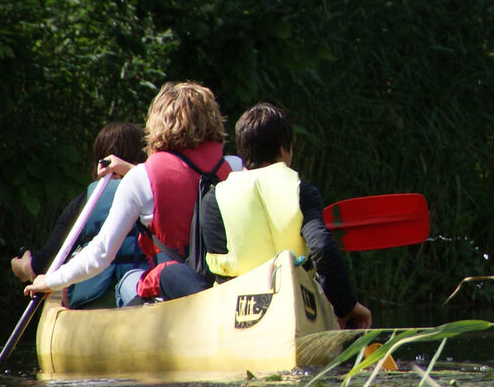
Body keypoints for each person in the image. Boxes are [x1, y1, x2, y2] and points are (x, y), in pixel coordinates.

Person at [25, 81, 240, 304]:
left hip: (174, 294)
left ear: (158, 123)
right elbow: (192, 177)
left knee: (130, 279)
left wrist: (50, 281)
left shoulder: (142, 179)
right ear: (213, 119)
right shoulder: (235, 167)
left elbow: (100, 253)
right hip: (224, 287)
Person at [196, 102, 372, 328]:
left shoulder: (213, 199)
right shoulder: (301, 190)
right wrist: (346, 306)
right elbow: (322, 248)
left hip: (237, 315)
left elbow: (213, 270)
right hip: (299, 311)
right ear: (282, 149)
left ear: (242, 152)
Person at [10, 121, 148, 307]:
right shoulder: (154, 195)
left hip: (96, 303)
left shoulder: (85, 203)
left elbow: (47, 265)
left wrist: (24, 267)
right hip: (144, 296)